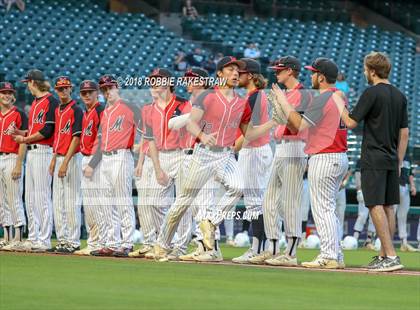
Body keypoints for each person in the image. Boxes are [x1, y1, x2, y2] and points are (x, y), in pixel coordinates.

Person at [271, 57, 348, 269]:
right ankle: (336, 254)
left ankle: (329, 255)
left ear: (321, 77)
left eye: (314, 73)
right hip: (339, 156)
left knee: (322, 209)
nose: (311, 76)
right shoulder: (339, 96)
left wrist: (283, 101)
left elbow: (299, 126)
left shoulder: (322, 98)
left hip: (325, 156)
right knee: (328, 209)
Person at [340, 51, 409, 272]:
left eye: (365, 69)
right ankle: (383, 255)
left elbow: (350, 122)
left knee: (374, 204)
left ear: (372, 71)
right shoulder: (399, 95)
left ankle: (390, 255)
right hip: (391, 158)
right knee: (388, 206)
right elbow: (405, 133)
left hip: (373, 157)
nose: (363, 73)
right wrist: (398, 160)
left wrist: (337, 102)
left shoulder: (371, 93)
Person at [248, 56, 311, 266]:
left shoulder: (303, 93)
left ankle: (291, 253)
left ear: (291, 71)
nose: (276, 73)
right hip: (280, 147)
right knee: (268, 201)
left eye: (280, 70)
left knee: (290, 202)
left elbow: (296, 126)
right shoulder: (286, 93)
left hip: (295, 146)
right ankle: (273, 249)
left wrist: (282, 105)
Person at [129, 68, 192, 260]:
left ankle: (180, 247)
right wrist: (157, 168)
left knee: (183, 203)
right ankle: (166, 242)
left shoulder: (183, 104)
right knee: (155, 202)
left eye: (158, 80)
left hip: (181, 154)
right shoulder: (148, 108)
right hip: (161, 157)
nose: (154, 83)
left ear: (168, 82)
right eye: (152, 81)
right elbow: (150, 140)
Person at [231, 58, 274, 264]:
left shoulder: (255, 97)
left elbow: (251, 132)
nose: (236, 75)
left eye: (240, 72)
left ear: (251, 76)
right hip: (256, 151)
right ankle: (260, 248)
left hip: (254, 151)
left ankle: (258, 249)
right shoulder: (254, 96)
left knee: (254, 203)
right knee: (255, 202)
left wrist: (232, 149)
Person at [90, 75, 137, 257]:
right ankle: (111, 242)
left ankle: (127, 243)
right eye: (104, 89)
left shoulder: (129, 107)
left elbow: (144, 129)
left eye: (110, 87)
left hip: (121, 155)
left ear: (117, 87)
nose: (107, 91)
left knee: (123, 200)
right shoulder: (106, 112)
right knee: (107, 203)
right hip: (106, 158)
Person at [13, 69, 59, 252]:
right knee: (30, 198)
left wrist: (24, 139)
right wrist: (21, 133)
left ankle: (45, 239)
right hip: (32, 154)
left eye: (28, 83)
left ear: (33, 82)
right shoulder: (36, 103)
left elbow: (47, 131)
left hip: (43, 152)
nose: (27, 86)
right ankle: (33, 237)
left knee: (42, 197)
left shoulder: (51, 101)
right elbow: (34, 131)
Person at [47, 76, 83, 254]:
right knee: (58, 203)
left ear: (71, 89)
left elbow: (76, 138)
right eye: (60, 89)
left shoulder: (76, 109)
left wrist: (65, 162)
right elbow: (58, 137)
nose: (63, 91)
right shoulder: (57, 110)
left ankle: (74, 241)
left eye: (65, 88)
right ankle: (62, 240)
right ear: (56, 90)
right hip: (59, 156)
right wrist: (54, 159)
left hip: (72, 158)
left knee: (71, 202)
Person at [74, 80, 105, 256]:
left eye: (90, 92)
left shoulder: (100, 110)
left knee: (97, 204)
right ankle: (93, 242)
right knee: (90, 204)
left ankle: (99, 242)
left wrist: (93, 164)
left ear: (96, 93)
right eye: (84, 92)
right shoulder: (87, 112)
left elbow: (103, 140)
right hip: (85, 158)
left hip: (96, 161)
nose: (87, 95)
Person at [0, 82, 27, 251]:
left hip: (12, 158)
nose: (7, 95)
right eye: (3, 92)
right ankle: (6, 236)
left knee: (14, 198)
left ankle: (18, 237)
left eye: (9, 93)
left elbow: (24, 141)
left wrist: (19, 163)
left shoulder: (19, 114)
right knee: (2, 200)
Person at [394, 154, 417, 252]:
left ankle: (404, 242)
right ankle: (382, 242)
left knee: (403, 216)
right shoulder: (393, 153)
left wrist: (413, 186)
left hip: (405, 188)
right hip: (394, 187)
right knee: (391, 214)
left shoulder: (408, 158)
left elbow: (410, 173)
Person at [353, 159, 376, 250]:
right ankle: (355, 238)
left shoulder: (378, 161)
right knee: (362, 215)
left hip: (375, 191)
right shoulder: (361, 161)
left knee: (373, 216)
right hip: (364, 190)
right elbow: (357, 176)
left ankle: (369, 241)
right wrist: (358, 190)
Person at [336, 169, 351, 240]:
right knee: (331, 215)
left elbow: (349, 172)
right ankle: (330, 238)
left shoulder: (343, 159)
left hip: (341, 189)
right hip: (331, 189)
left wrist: (344, 183)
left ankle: (339, 238)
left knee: (341, 216)